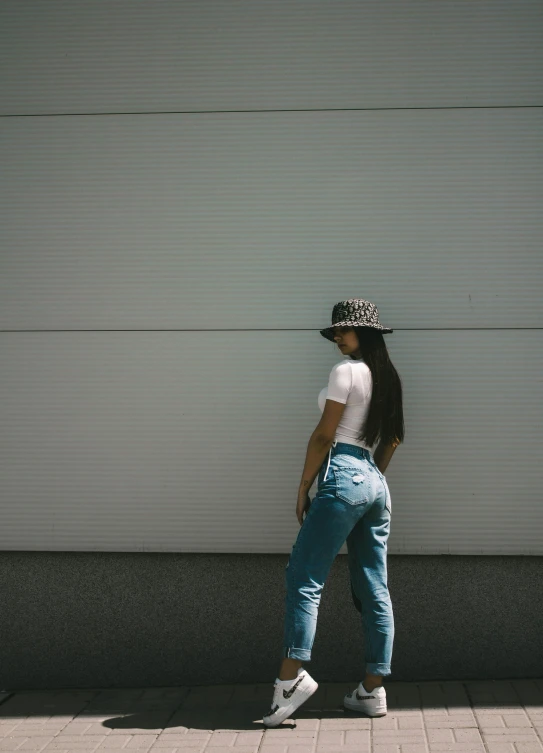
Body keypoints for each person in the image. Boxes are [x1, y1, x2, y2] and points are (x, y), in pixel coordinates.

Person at [263, 299, 404, 727]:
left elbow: (325, 435)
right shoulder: (389, 379)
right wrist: (370, 479)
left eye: (344, 330)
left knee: (304, 576)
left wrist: (304, 484)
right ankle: (372, 690)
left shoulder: (346, 372)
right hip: (373, 481)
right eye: (335, 332)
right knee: (373, 584)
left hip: (342, 471)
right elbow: (394, 437)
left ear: (367, 332)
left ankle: (291, 681)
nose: (337, 338)